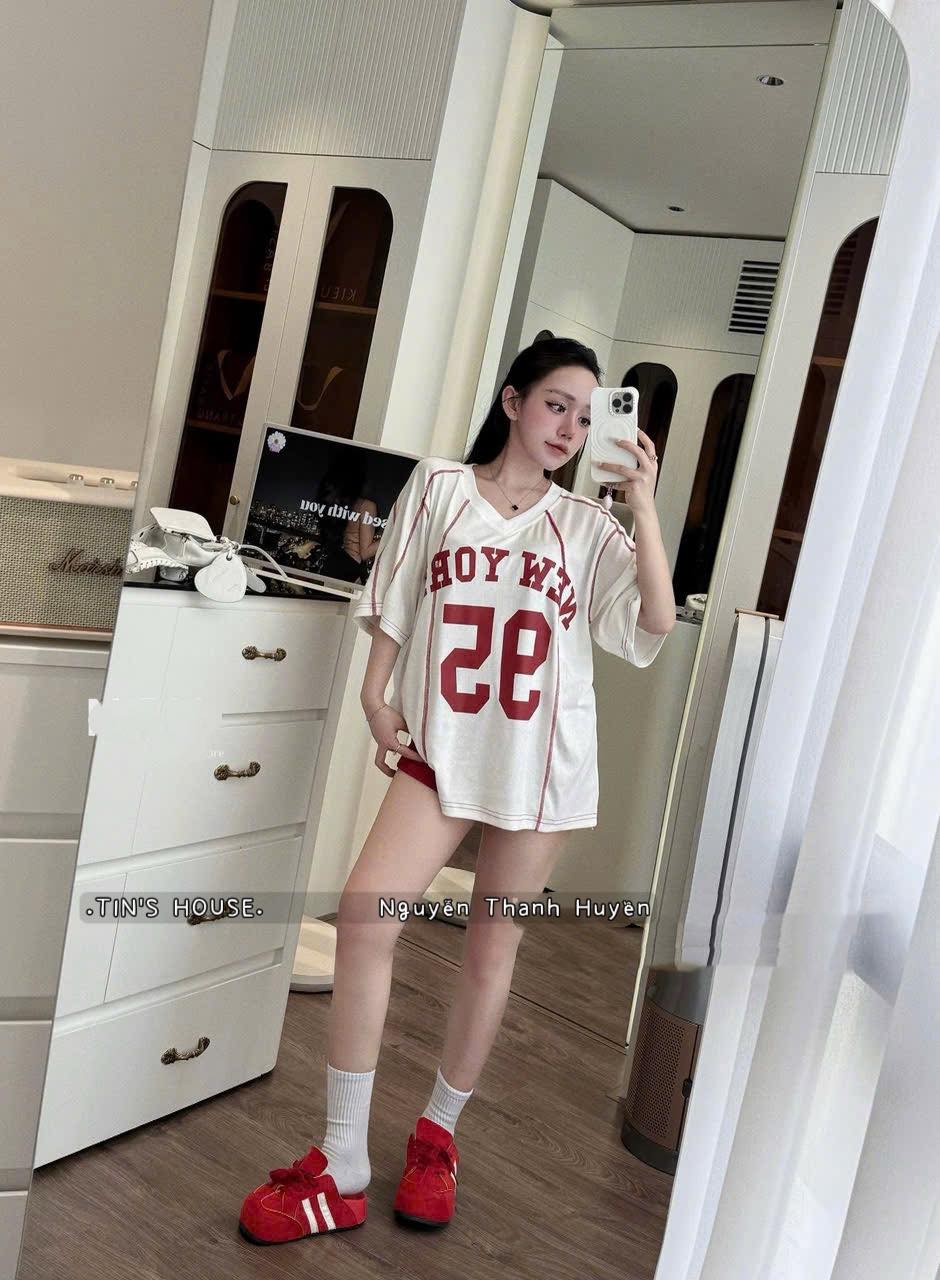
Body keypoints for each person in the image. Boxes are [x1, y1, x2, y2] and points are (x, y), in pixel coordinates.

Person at [238, 337, 676, 1245]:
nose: (570, 427)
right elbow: (394, 599)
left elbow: (655, 624)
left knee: (490, 948)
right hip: (442, 747)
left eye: (586, 415)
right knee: (366, 919)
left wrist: (643, 506)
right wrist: (375, 697)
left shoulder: (589, 526)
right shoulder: (438, 487)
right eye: (556, 404)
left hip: (540, 765)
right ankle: (343, 1158)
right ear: (513, 400)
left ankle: (437, 1137)